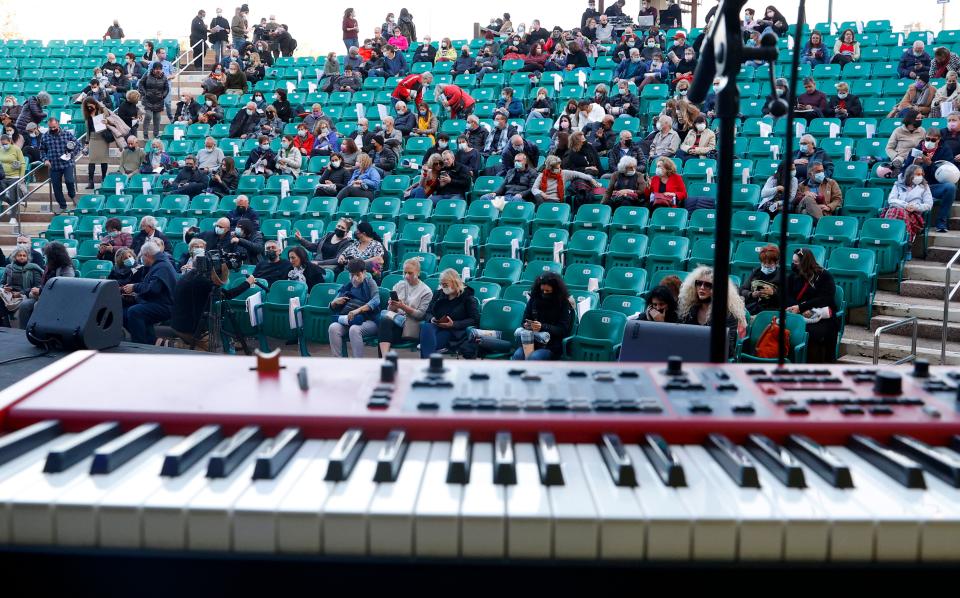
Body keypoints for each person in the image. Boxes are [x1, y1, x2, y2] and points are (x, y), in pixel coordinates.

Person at [678, 266, 747, 358]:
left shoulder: (728, 314)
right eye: (699, 283)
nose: (702, 287)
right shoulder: (690, 310)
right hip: (690, 355)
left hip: (715, 358)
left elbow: (728, 348)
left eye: (708, 285)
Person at [786, 248, 838, 363]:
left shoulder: (824, 276)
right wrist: (797, 308)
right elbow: (786, 295)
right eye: (793, 261)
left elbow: (825, 298)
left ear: (805, 262)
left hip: (821, 315)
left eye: (796, 262)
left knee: (811, 333)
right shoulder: (793, 276)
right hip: (798, 314)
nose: (793, 265)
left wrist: (804, 307)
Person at [509, 272, 575, 361]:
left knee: (534, 358)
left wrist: (542, 327)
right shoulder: (534, 299)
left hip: (551, 345)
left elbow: (562, 330)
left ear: (555, 291)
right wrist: (527, 325)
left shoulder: (564, 304)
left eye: (548, 291)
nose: (544, 293)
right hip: (531, 342)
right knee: (517, 356)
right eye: (542, 290)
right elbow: (524, 320)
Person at [118, 243, 175, 345]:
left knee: (134, 311)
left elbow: (154, 289)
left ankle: (140, 344)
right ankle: (153, 341)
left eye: (142, 256)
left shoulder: (162, 266)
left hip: (165, 305)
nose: (141, 259)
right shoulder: (159, 264)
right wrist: (136, 295)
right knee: (124, 313)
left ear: (147, 255)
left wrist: (134, 287)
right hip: (157, 301)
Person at [903, 127, 956, 234]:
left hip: (934, 186)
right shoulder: (916, 150)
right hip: (916, 186)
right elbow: (904, 171)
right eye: (927, 139)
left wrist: (930, 165)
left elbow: (947, 172)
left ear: (939, 140)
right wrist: (914, 164)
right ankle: (914, 224)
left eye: (933, 140)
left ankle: (941, 221)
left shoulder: (945, 150)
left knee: (950, 187)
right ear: (924, 138)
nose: (929, 142)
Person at [376, 257, 432, 356]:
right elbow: (390, 310)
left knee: (384, 326)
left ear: (418, 273)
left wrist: (403, 307)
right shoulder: (399, 285)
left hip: (410, 328)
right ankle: (385, 359)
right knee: (385, 321)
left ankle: (384, 362)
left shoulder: (426, 291)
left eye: (410, 273)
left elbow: (421, 315)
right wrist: (392, 306)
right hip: (394, 324)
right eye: (404, 272)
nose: (406, 276)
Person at [420, 268, 480, 357]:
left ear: (455, 282)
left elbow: (474, 320)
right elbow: (428, 312)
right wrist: (432, 318)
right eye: (441, 284)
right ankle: (429, 363)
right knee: (426, 326)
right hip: (437, 326)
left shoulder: (467, 298)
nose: (443, 287)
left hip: (454, 330)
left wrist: (453, 324)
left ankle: (427, 364)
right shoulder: (439, 294)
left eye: (445, 284)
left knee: (427, 342)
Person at [16, 242, 75, 330]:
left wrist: (40, 291)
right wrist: (36, 290)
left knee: (38, 305)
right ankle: (23, 331)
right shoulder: (49, 267)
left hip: (60, 299)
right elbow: (44, 285)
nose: (46, 257)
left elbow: (64, 288)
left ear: (54, 256)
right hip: (45, 296)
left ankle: (39, 332)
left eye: (48, 255)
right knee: (25, 305)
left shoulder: (66, 268)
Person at [883, 164, 934, 260]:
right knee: (897, 211)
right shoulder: (898, 185)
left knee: (898, 212)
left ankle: (898, 242)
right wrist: (905, 205)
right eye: (917, 174)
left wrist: (914, 207)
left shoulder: (924, 186)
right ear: (910, 175)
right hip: (897, 211)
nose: (920, 176)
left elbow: (928, 205)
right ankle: (904, 244)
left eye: (921, 174)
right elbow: (891, 199)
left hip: (914, 215)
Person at [40, 117, 81, 214]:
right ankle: (62, 205)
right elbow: (42, 150)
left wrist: (71, 154)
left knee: (69, 181)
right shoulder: (45, 136)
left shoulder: (67, 134)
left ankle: (73, 196)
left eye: (54, 127)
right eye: (50, 128)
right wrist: (45, 160)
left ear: (58, 124)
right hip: (54, 165)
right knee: (56, 186)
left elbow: (78, 145)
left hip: (67, 163)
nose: (53, 129)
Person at [531, 155, 600, 205]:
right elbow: (534, 189)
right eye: (556, 168)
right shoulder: (542, 175)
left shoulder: (564, 173)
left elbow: (578, 174)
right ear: (549, 168)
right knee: (537, 196)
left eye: (559, 167)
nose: (558, 170)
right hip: (544, 198)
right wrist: (541, 193)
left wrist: (591, 179)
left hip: (556, 200)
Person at [1, 247, 42, 325]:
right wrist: (4, 287)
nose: (22, 257)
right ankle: (5, 324)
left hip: (26, 295)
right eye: (19, 255)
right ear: (15, 257)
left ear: (27, 257)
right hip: (9, 294)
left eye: (24, 255)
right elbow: (2, 283)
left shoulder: (33, 269)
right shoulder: (9, 268)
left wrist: (20, 293)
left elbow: (37, 287)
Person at [740, 244, 782, 316]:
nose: (766, 265)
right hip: (753, 307)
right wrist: (751, 294)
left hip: (771, 311)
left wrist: (773, 293)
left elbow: (786, 299)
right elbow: (742, 289)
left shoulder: (781, 276)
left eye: (770, 263)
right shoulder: (756, 272)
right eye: (763, 262)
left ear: (776, 262)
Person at [137, 62, 170, 140]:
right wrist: (144, 93)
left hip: (159, 100)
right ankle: (145, 134)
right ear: (153, 69)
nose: (158, 71)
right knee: (148, 116)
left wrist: (163, 95)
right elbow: (140, 84)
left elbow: (166, 88)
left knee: (157, 118)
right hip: (148, 99)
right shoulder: (147, 75)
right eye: (156, 69)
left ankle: (156, 134)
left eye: (160, 69)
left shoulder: (164, 77)